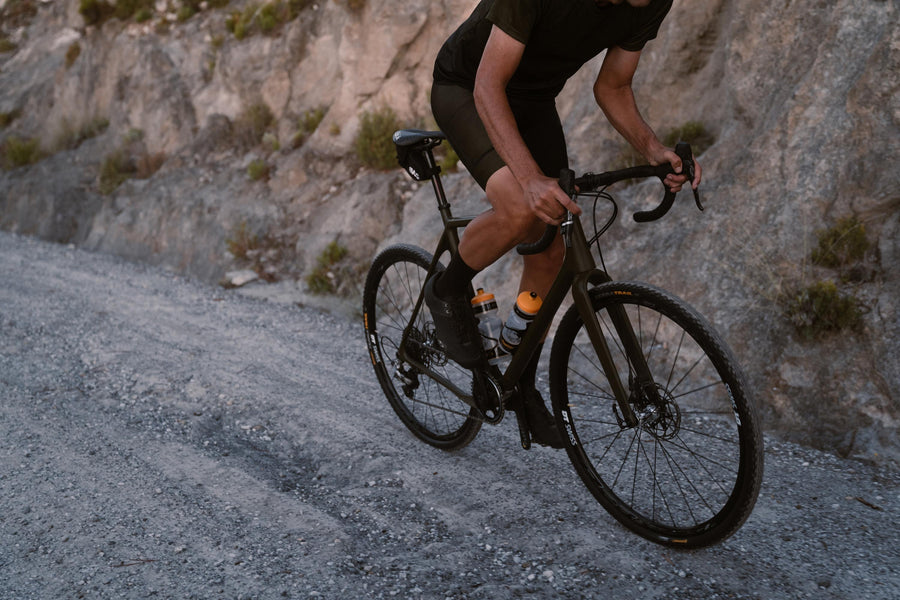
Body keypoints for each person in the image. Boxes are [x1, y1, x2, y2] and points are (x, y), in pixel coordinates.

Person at [425, 0, 702, 447]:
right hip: (469, 87)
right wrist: (530, 179)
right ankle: (447, 288)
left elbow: (613, 86)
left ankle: (519, 385)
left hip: (533, 101)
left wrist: (654, 150)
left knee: (552, 250)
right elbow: (488, 87)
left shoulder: (651, 3)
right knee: (520, 208)